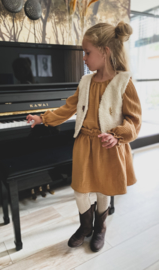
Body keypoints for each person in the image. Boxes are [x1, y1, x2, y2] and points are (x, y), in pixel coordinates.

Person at [26, 21, 142, 252]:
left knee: (103, 189)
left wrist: (117, 136)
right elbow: (68, 108)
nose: (84, 58)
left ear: (105, 51)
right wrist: (43, 118)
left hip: (107, 145)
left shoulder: (123, 82)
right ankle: (85, 226)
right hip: (84, 144)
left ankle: (100, 227)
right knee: (80, 190)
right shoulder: (85, 81)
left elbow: (134, 120)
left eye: (87, 53)